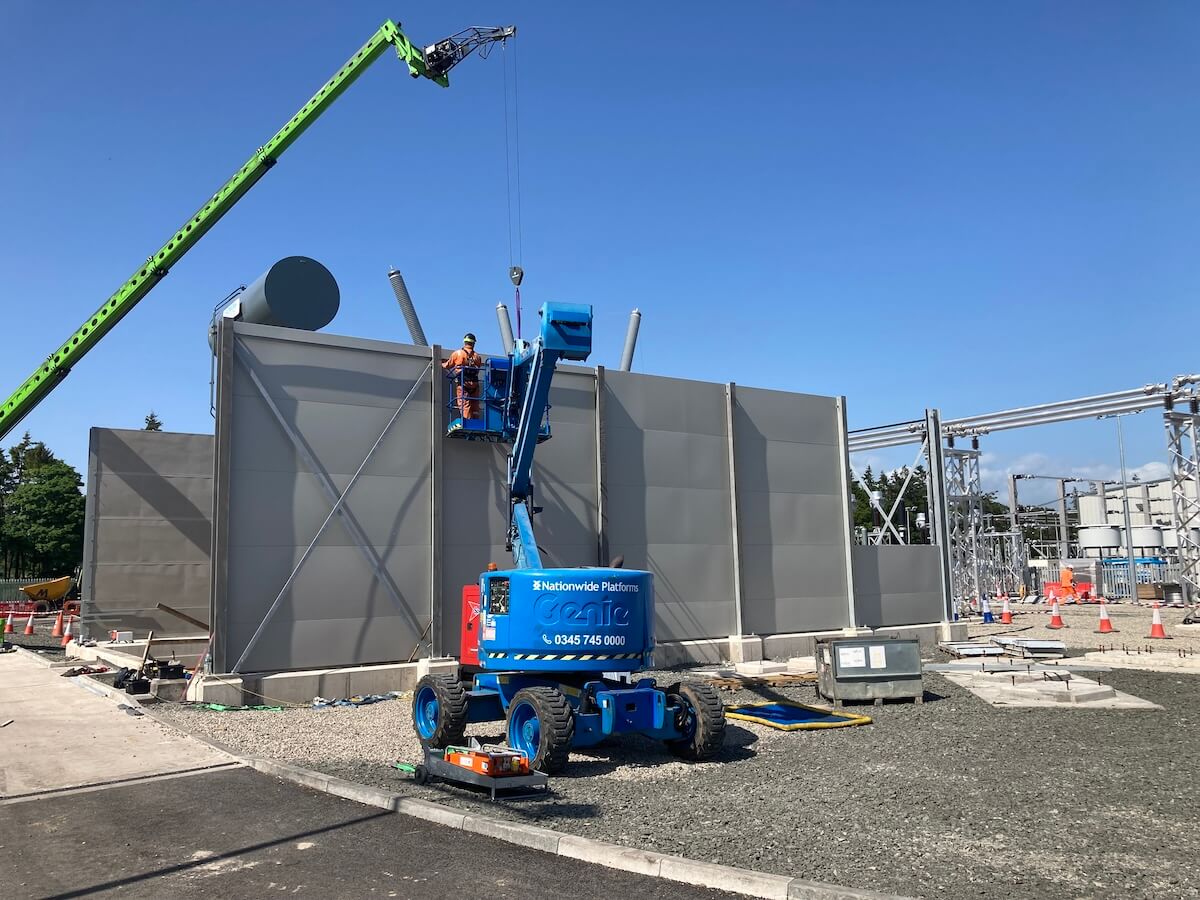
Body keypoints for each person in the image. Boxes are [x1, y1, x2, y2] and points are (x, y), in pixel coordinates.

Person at [442, 332, 484, 420]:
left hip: (463, 383)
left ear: (464, 342)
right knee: (475, 404)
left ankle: (467, 423)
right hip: (475, 384)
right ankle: (476, 422)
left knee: (464, 404)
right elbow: (478, 367)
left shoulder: (458, 353)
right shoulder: (477, 356)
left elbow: (448, 365)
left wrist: (442, 363)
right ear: (473, 343)